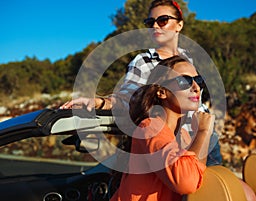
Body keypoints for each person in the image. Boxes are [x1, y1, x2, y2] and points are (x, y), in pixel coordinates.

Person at [60, 0, 222, 166]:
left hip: (208, 140)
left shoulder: (189, 58)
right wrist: (100, 102)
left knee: (230, 188)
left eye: (163, 20)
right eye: (150, 22)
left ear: (179, 25)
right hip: (174, 146)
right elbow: (127, 97)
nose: (155, 26)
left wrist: (207, 126)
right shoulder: (143, 61)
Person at [110, 55, 214, 201]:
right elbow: (186, 182)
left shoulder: (183, 135)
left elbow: (200, 180)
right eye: (184, 81)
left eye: (198, 80)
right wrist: (204, 132)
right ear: (162, 92)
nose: (196, 88)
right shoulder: (150, 127)